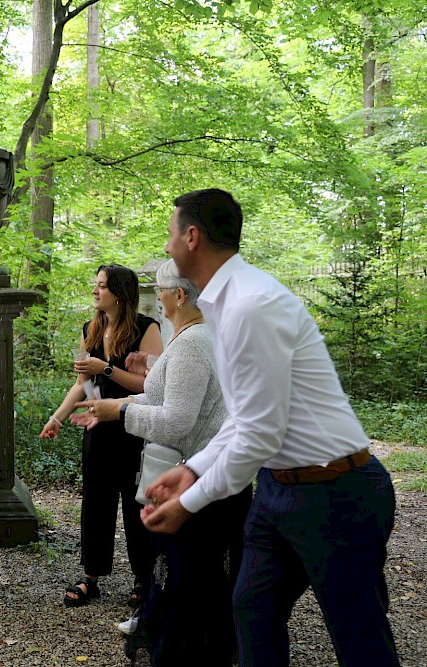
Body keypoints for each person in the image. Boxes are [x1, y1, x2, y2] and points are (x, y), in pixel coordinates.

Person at [142, 188, 399, 667]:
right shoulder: (223, 304)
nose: (167, 244)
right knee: (253, 613)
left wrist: (189, 503)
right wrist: (194, 469)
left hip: (336, 493)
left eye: (170, 233)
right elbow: (244, 414)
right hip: (278, 492)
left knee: (359, 639)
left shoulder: (251, 304)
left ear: (192, 237)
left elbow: (260, 431)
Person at [73, 259, 251, 665]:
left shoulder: (191, 341)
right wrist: (121, 397)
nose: (158, 296)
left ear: (180, 295)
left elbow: (176, 419)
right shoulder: (191, 337)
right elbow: (166, 395)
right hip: (201, 471)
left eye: (162, 289)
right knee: (185, 578)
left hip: (198, 477)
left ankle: (189, 649)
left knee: (191, 580)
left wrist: (117, 413)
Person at [39, 264, 163, 608]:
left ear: (120, 295)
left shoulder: (145, 329)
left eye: (103, 286)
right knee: (95, 503)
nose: (95, 291)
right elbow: (82, 385)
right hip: (97, 429)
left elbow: (152, 386)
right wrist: (57, 418)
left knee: (137, 504)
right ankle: (91, 577)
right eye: (95, 285)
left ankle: (143, 578)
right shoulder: (89, 329)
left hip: (135, 426)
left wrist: (106, 368)